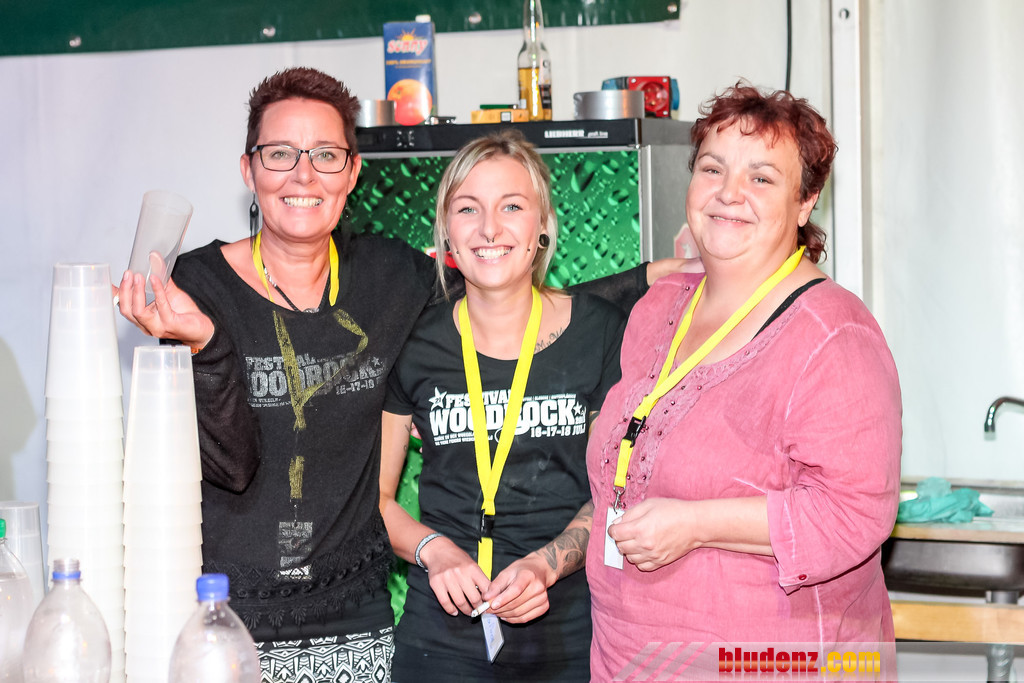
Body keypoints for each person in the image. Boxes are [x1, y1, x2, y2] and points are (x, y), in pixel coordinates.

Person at [114, 67, 685, 680]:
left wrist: (652, 277)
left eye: (326, 155)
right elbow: (230, 467)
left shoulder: (390, 278)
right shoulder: (198, 287)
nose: (303, 174)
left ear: (353, 172)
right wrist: (206, 347)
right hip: (231, 610)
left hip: (354, 615)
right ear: (249, 169)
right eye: (280, 153)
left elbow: (507, 298)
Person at [585, 83, 902, 681]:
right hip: (628, 657)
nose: (729, 193)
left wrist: (696, 524)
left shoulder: (834, 335)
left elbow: (853, 515)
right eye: (712, 168)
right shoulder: (659, 307)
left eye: (761, 178)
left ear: (805, 202)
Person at [380, 131, 622, 682]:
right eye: (468, 209)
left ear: (543, 225)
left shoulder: (600, 333)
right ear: (447, 230)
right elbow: (376, 500)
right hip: (441, 635)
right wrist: (434, 550)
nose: (489, 229)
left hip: (570, 630)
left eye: (512, 206)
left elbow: (618, 492)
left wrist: (546, 565)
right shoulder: (414, 343)